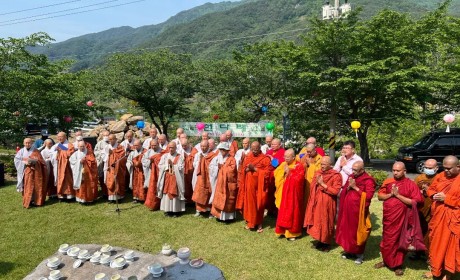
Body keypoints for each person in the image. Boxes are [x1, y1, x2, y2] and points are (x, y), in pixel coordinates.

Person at [375, 162, 424, 276]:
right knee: (387, 239)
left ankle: (397, 265)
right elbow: (380, 196)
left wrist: (398, 196)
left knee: (399, 240)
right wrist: (390, 195)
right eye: (394, 170)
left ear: (404, 171)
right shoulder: (388, 182)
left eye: (398, 170)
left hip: (402, 218)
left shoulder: (410, 184)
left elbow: (415, 201)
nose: (395, 172)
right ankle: (386, 261)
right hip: (389, 217)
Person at [336, 161, 376, 264]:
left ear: (362, 170)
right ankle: (349, 250)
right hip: (348, 209)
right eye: (352, 169)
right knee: (347, 230)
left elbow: (368, 196)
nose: (353, 172)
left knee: (357, 231)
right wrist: (348, 187)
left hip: (359, 211)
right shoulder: (351, 176)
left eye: (355, 170)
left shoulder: (368, 180)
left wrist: (355, 188)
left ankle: (359, 254)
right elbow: (344, 189)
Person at [427, 155, 460, 280]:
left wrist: (447, 199)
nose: (446, 171)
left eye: (449, 169)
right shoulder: (441, 176)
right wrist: (434, 194)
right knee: (436, 245)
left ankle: (448, 273)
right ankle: (436, 269)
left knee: (450, 248)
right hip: (438, 218)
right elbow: (431, 189)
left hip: (453, 220)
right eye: (444, 168)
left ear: (458, 167)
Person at [304, 156, 342, 252]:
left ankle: (327, 243)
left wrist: (322, 184)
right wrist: (316, 183)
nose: (322, 166)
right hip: (317, 201)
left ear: (330, 165)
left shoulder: (336, 175)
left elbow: (335, 191)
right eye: (321, 164)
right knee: (317, 221)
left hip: (328, 203)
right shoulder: (318, 172)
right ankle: (319, 241)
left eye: (324, 164)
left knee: (326, 222)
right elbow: (312, 185)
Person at [236, 141, 272, 233]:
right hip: (249, 184)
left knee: (259, 204)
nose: (254, 151)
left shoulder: (265, 158)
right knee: (250, 203)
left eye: (256, 149)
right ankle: (250, 222)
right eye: (252, 149)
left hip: (260, 186)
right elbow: (243, 169)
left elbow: (267, 173)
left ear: (260, 148)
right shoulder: (248, 156)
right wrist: (247, 169)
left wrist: (255, 169)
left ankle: (259, 223)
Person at [273, 149, 305, 240]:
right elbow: (276, 174)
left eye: (288, 157)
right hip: (284, 193)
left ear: (293, 157)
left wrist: (289, 173)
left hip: (293, 195)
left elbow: (299, 179)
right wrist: (284, 173)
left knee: (292, 213)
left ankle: (292, 233)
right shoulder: (284, 164)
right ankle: (282, 231)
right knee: (283, 212)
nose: (285, 158)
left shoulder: (299, 166)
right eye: (285, 156)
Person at [412, 158, 437, 264]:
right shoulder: (419, 178)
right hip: (420, 210)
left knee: (431, 234)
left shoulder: (439, 178)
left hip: (433, 210)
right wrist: (420, 192)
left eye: (430, 168)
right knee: (419, 231)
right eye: (426, 167)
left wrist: (429, 191)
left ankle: (429, 255)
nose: (427, 169)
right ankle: (418, 252)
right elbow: (413, 191)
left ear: (436, 168)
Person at [14, 138, 47, 208]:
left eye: (29, 143)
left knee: (36, 186)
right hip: (26, 172)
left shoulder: (36, 151)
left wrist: (35, 162)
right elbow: (17, 160)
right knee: (27, 186)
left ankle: (36, 201)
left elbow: (42, 161)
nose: (27, 144)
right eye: (26, 143)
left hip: (36, 172)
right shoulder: (21, 151)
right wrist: (25, 162)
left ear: (32, 143)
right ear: (23, 143)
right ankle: (28, 201)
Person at [210, 142, 238, 221]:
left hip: (228, 183)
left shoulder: (231, 159)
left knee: (228, 199)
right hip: (219, 182)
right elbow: (212, 167)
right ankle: (218, 216)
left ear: (227, 150)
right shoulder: (217, 158)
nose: (222, 151)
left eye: (224, 150)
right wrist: (217, 168)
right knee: (219, 198)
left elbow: (232, 170)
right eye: (221, 150)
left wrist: (222, 168)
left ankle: (228, 217)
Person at [157, 141, 186, 216]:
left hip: (176, 178)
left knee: (174, 194)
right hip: (167, 178)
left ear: (176, 148)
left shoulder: (179, 157)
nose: (170, 149)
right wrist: (167, 166)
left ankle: (176, 211)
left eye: (172, 147)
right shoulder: (165, 156)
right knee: (166, 193)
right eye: (169, 147)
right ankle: (168, 210)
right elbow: (160, 165)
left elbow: (181, 168)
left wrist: (172, 165)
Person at [192, 140, 218, 217]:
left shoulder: (212, 155)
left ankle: (209, 211)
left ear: (208, 146)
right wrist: (201, 161)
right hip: (200, 177)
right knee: (199, 193)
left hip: (209, 177)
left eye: (204, 146)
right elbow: (194, 165)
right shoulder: (197, 154)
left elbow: (213, 166)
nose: (203, 148)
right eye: (202, 146)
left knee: (209, 193)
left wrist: (204, 161)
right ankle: (199, 210)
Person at [51, 132, 75, 200]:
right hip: (60, 165)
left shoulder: (69, 145)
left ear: (65, 137)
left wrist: (61, 150)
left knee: (67, 179)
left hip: (67, 166)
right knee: (60, 178)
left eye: (61, 136)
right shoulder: (57, 145)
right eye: (58, 137)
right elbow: (52, 153)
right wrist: (58, 152)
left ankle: (69, 194)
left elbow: (70, 153)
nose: (59, 138)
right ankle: (61, 194)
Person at [104, 134, 128, 203]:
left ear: (115, 139)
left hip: (118, 168)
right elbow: (103, 155)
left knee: (118, 181)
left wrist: (113, 153)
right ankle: (111, 198)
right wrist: (108, 155)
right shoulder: (106, 147)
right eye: (109, 139)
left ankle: (119, 197)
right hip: (109, 168)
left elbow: (122, 157)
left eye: (112, 139)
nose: (111, 141)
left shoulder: (120, 147)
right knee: (110, 181)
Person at [143, 139, 165, 211]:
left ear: (158, 144)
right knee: (152, 188)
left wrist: (156, 161)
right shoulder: (148, 152)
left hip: (160, 173)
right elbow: (143, 161)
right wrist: (150, 161)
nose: (153, 147)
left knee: (160, 188)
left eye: (155, 145)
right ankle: (153, 204)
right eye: (152, 145)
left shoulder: (162, 152)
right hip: (151, 173)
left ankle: (161, 204)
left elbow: (164, 161)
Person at [94, 130, 110, 198]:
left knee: (109, 177)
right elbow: (95, 152)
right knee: (102, 177)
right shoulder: (99, 143)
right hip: (101, 163)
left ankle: (110, 192)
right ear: (102, 136)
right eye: (105, 135)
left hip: (109, 163)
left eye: (107, 135)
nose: (106, 137)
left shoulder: (111, 142)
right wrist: (102, 152)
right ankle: (104, 192)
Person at [180, 138, 195, 204]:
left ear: (188, 144)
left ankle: (192, 200)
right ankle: (185, 200)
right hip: (182, 171)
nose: (183, 147)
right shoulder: (179, 150)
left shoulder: (193, 150)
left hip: (191, 171)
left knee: (191, 185)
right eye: (182, 145)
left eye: (185, 145)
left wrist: (188, 157)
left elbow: (195, 159)